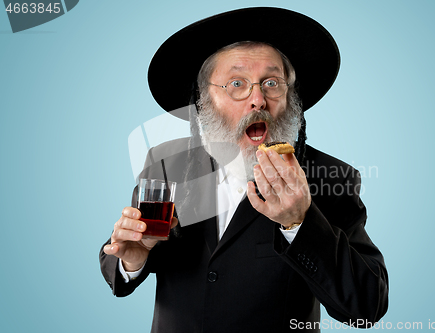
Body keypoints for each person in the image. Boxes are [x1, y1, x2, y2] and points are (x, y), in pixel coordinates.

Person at [100, 7, 388, 333]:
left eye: (271, 83)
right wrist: (133, 260)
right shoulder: (167, 164)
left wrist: (301, 222)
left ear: (289, 98)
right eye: (237, 83)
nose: (258, 99)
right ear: (203, 99)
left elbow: (367, 306)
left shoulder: (328, 177)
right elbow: (118, 262)